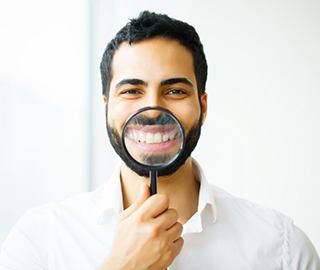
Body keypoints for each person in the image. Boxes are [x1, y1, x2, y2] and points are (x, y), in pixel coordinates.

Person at [0, 11, 319, 270]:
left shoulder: (282, 248)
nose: (152, 111)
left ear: (203, 107)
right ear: (106, 107)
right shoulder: (40, 240)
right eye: (131, 91)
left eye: (175, 91)